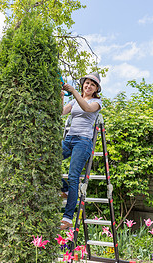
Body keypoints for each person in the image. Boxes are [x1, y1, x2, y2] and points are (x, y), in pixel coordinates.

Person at [60, 72, 102, 230]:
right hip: (69, 139)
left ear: (96, 88)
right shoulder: (74, 101)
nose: (89, 86)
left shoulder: (97, 102)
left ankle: (67, 218)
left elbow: (87, 108)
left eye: (93, 84)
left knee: (73, 177)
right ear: (83, 84)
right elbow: (61, 112)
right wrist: (62, 96)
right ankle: (63, 189)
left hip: (83, 142)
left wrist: (73, 91)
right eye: (87, 83)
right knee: (47, 160)